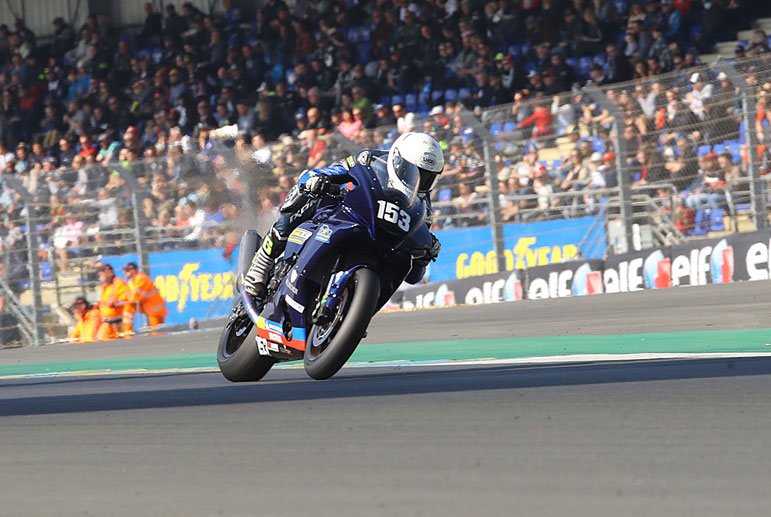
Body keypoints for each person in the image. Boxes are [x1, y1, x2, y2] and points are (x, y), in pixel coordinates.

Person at [243, 132, 445, 298]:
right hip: (346, 212)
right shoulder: (370, 159)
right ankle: (261, 264)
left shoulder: (423, 208)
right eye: (414, 172)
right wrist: (317, 181)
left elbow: (413, 275)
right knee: (305, 195)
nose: (419, 181)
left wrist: (425, 254)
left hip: (379, 243)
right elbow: (328, 171)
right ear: (399, 160)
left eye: (426, 177)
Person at [123, 262, 168, 331]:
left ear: (133, 270)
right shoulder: (132, 281)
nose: (125, 273)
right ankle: (127, 330)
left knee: (157, 333)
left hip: (155, 310)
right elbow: (129, 297)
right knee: (158, 332)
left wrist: (126, 298)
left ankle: (127, 330)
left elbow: (134, 298)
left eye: (127, 271)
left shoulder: (141, 278)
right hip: (150, 309)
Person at [96, 263, 130, 339]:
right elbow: (102, 302)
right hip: (107, 321)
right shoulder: (104, 287)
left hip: (118, 322)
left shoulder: (119, 283)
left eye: (102, 273)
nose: (100, 276)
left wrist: (116, 302)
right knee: (101, 339)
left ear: (109, 272)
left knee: (124, 342)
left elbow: (126, 298)